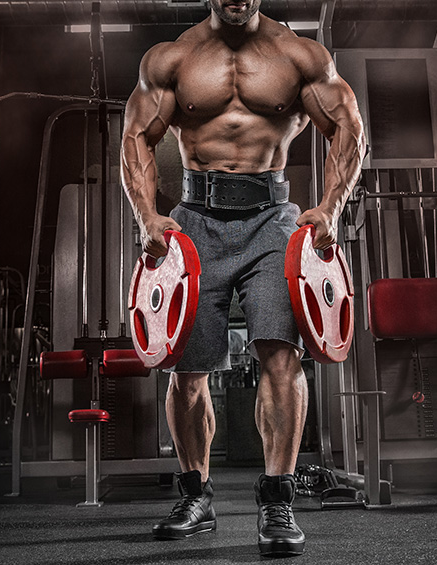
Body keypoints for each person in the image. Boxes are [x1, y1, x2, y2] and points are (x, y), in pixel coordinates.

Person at [120, 0, 365, 556]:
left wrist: (330, 207)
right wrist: (148, 216)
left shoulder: (298, 55)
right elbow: (135, 136)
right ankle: (195, 496)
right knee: (187, 373)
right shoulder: (171, 59)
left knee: (281, 355)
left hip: (272, 219)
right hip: (194, 220)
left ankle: (277, 499)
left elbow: (348, 125)